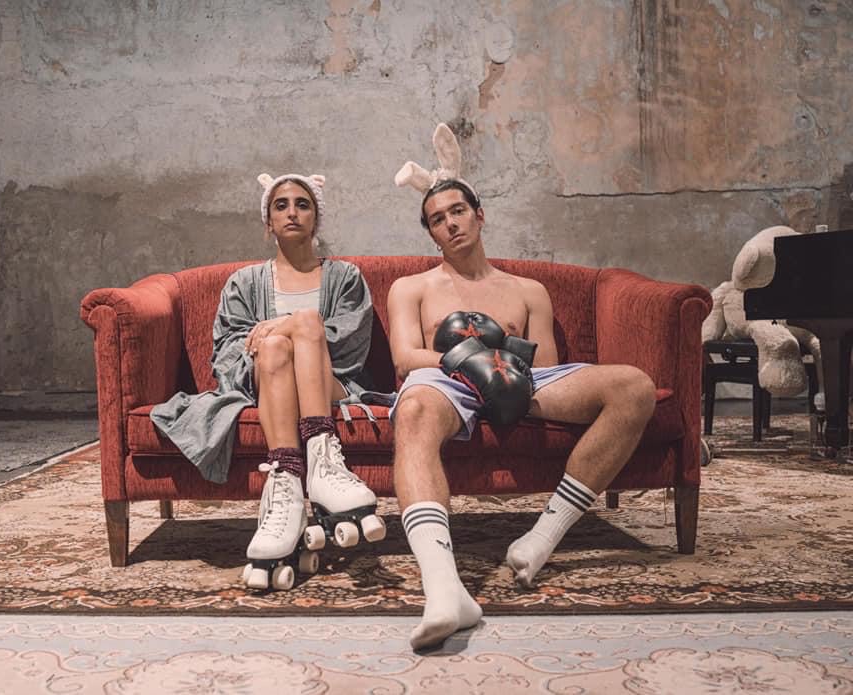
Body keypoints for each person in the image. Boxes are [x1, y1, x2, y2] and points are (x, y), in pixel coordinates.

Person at [388, 137, 656, 649]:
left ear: (480, 214)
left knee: (634, 386)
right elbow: (405, 358)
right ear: (431, 233)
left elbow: (547, 368)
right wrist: (473, 360)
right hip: (445, 380)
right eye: (438, 219)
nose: (451, 223)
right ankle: (444, 591)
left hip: (520, 380)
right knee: (414, 408)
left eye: (458, 211)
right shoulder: (412, 287)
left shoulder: (529, 290)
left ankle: (542, 538)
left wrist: (503, 367)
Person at [151, 172, 386, 591]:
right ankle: (288, 481)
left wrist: (289, 325)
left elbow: (351, 345)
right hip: (266, 382)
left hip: (330, 382)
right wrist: (283, 335)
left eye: (302, 204)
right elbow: (229, 354)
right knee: (276, 347)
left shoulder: (345, 277)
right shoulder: (244, 284)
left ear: (316, 218)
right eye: (281, 205)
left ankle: (322, 465)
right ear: (268, 223)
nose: (292, 212)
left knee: (305, 324)